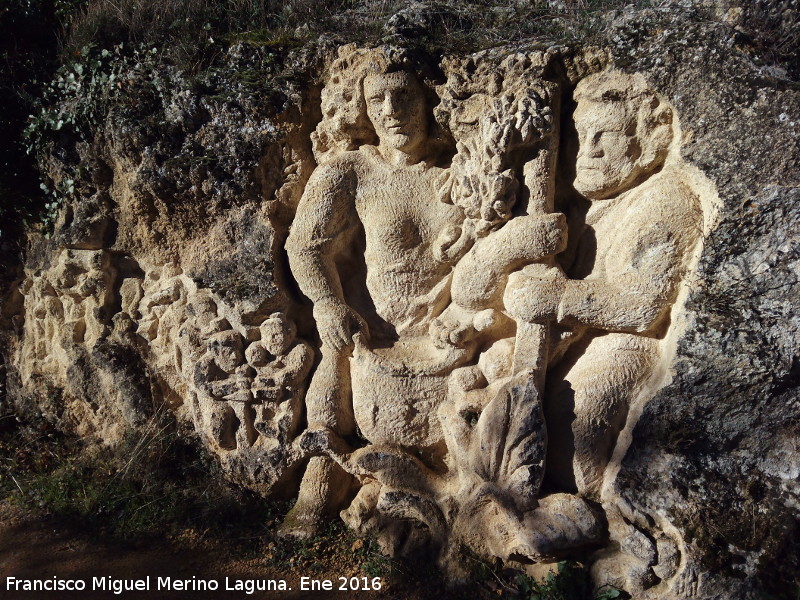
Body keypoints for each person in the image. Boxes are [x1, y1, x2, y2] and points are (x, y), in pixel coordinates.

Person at [282, 56, 465, 537]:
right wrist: (327, 302)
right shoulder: (351, 171)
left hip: (449, 331)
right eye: (376, 98)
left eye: (404, 95)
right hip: (374, 329)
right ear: (362, 109)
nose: (391, 109)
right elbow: (304, 245)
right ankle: (319, 484)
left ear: (427, 102)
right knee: (335, 355)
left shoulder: (460, 172)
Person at [503, 70, 703, 497]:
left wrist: (557, 296)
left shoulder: (666, 200)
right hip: (574, 332)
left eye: (606, 136)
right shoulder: (594, 204)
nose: (587, 151)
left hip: (623, 341)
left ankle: (619, 512)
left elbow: (641, 305)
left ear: (646, 143)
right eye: (583, 134)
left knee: (574, 441)